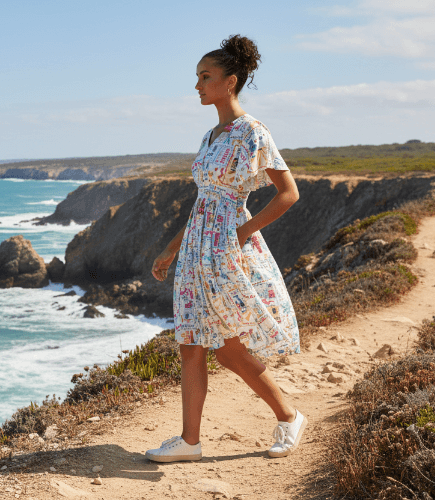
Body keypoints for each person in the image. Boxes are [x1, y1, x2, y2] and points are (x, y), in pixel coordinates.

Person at [146, 35, 305, 462]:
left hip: (226, 248)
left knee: (227, 346)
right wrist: (172, 248)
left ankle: (289, 416)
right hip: (197, 247)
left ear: (230, 82)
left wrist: (241, 234)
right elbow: (203, 200)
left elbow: (288, 193)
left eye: (205, 76)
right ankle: (190, 442)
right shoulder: (210, 134)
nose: (197, 85)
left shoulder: (251, 132)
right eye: (197, 77)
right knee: (191, 342)